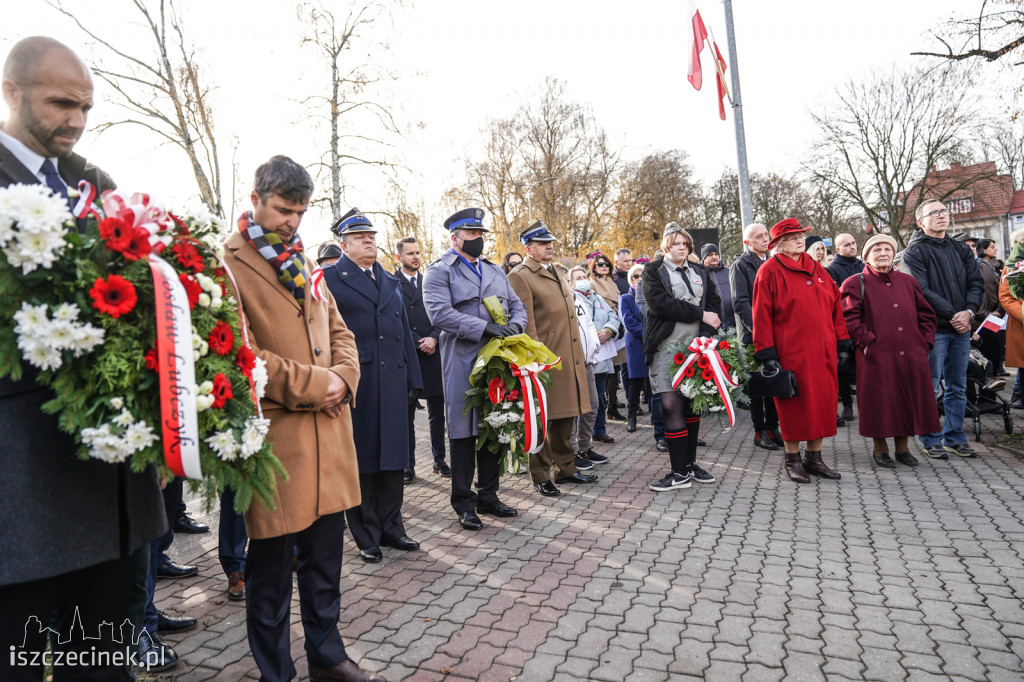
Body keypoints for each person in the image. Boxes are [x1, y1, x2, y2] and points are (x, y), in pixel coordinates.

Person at [0, 36, 168, 681]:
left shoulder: (97, 187)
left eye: (86, 107)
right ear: (12, 93)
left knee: (103, 666)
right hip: (24, 488)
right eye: (61, 103)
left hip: (115, 488)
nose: (75, 119)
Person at [224, 157, 383, 682]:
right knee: (270, 576)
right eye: (282, 209)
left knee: (324, 567)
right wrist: (323, 385)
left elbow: (341, 333)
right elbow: (240, 355)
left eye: (300, 211)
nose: (292, 221)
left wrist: (345, 375)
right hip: (280, 445)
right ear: (255, 199)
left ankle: (328, 657)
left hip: (330, 440)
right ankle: (277, 672)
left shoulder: (303, 263)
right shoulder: (226, 264)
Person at [323, 209, 422, 563]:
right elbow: (324, 336)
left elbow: (403, 334)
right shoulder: (329, 280)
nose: (369, 241)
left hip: (393, 379)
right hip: (359, 382)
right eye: (360, 237)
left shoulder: (390, 280)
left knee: (394, 457)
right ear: (343, 244)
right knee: (362, 459)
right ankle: (366, 533)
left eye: (372, 236)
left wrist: (414, 378)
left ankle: (393, 526)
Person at [423, 208, 527, 530]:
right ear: (454, 238)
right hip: (462, 359)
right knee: (464, 431)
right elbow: (439, 314)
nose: (478, 239)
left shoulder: (495, 271)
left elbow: (517, 305)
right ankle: (464, 502)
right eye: (471, 234)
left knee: (495, 423)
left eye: (480, 234)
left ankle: (489, 496)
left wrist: (514, 327)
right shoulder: (439, 272)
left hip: (497, 359)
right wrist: (485, 328)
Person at [753, 218, 852, 484]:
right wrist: (766, 352)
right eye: (792, 237)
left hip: (823, 351)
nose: (799, 240)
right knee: (794, 408)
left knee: (822, 404)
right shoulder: (770, 270)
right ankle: (793, 459)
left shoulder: (818, 269)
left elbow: (836, 307)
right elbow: (761, 314)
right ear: (778, 244)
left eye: (800, 235)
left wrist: (842, 340)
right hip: (791, 352)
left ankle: (814, 457)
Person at [508, 221, 596, 496]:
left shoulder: (557, 270)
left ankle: (565, 468)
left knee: (565, 416)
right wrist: (535, 361)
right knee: (544, 420)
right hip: (545, 360)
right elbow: (527, 324)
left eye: (551, 243)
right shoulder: (520, 276)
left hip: (567, 356)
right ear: (528, 249)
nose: (550, 247)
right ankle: (540, 474)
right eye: (543, 244)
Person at [840, 234, 939, 468]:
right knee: (880, 402)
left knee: (907, 399)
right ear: (867, 256)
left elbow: (926, 314)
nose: (883, 253)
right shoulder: (855, 282)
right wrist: (869, 343)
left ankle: (903, 449)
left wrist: (924, 342)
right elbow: (849, 318)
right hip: (875, 354)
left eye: (887, 249)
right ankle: (880, 448)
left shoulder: (908, 281)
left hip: (910, 352)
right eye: (877, 250)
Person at [902, 198, 985, 460]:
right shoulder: (914, 251)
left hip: (961, 328)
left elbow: (976, 283)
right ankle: (930, 438)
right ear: (920, 221)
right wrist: (953, 314)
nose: (941, 216)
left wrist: (969, 312)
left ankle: (954, 437)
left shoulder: (960, 248)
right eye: (934, 213)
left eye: (944, 211)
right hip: (934, 328)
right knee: (931, 385)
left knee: (958, 385)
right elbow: (921, 290)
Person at [642, 223, 721, 491]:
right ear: (666, 246)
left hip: (696, 348)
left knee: (691, 405)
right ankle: (678, 473)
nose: (681, 248)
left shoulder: (700, 271)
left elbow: (714, 305)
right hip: (666, 347)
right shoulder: (653, 272)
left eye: (685, 244)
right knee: (671, 405)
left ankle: (688, 466)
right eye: (676, 244)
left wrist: (706, 335)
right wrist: (700, 314)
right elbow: (661, 305)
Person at [395, 236, 450, 479]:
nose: (416, 257)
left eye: (417, 252)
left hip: (434, 353)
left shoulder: (430, 280)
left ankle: (439, 460)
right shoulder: (390, 282)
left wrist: (435, 337)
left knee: (437, 413)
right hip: (410, 355)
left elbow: (445, 312)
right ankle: (408, 464)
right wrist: (420, 340)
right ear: (399, 258)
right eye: (410, 254)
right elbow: (394, 319)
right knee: (407, 415)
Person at [730, 223, 782, 452]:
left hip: (774, 333)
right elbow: (740, 303)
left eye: (765, 235)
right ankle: (760, 431)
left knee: (774, 383)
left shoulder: (772, 262)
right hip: (753, 335)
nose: (764, 239)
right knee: (757, 386)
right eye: (758, 237)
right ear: (747, 242)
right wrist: (760, 328)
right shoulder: (740, 266)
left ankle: (773, 427)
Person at [568, 265, 616, 465]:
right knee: (572, 408)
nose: (582, 280)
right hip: (573, 358)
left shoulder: (595, 297)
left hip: (593, 357)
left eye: (583, 276)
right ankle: (571, 452)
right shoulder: (569, 298)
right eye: (577, 277)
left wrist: (608, 330)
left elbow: (612, 316)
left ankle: (585, 447)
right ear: (570, 282)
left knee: (593, 404)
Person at [826, 233, 864, 424]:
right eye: (847, 245)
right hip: (843, 324)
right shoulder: (832, 270)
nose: (852, 247)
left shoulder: (862, 266)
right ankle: (847, 403)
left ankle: (865, 404)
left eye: (853, 243)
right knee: (844, 368)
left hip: (863, 322)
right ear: (838, 249)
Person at [589, 251, 627, 421]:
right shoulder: (591, 284)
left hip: (619, 328)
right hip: (603, 330)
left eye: (606, 264)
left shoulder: (613, 282)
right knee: (604, 371)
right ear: (594, 267)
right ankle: (602, 409)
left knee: (616, 370)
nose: (604, 267)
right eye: (600, 264)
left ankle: (612, 406)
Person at [620, 263, 649, 432]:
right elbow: (629, 323)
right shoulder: (626, 298)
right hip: (636, 344)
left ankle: (657, 418)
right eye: (635, 276)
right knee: (635, 383)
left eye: (642, 276)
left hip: (652, 344)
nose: (639, 279)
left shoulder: (651, 297)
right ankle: (632, 417)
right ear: (630, 279)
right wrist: (650, 332)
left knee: (652, 384)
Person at [974, 238, 1005, 374]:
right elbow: (978, 294)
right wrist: (984, 313)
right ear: (984, 250)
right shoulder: (977, 267)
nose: (996, 249)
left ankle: (993, 380)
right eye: (992, 247)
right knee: (985, 357)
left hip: (993, 317)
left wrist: (999, 310)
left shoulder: (992, 267)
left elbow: (1000, 291)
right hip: (981, 319)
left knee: (995, 353)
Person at [700, 243, 734, 331]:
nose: (714, 257)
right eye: (710, 255)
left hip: (733, 324)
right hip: (711, 327)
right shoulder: (699, 274)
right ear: (704, 258)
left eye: (716, 254)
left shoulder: (730, 272)